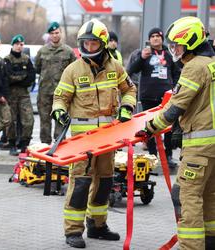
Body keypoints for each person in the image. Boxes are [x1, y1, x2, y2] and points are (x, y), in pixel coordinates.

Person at [52, 19, 137, 248]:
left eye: (92, 43)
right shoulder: (73, 70)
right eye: (84, 43)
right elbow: (60, 98)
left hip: (108, 139)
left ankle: (97, 225)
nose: (87, 47)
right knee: (80, 184)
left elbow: (129, 88)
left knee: (105, 183)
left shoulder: (115, 67)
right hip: (83, 141)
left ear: (101, 43)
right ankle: (73, 231)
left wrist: (127, 107)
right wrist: (59, 112)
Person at [135, 16, 215, 250]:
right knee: (210, 197)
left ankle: (191, 246)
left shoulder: (194, 67)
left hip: (199, 147)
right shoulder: (211, 63)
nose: (174, 51)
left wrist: (149, 128)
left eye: (178, 46)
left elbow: (174, 109)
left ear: (191, 42)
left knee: (186, 197)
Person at [127, 27, 180, 168]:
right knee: (149, 127)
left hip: (166, 96)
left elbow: (176, 73)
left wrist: (174, 87)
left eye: (158, 36)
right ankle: (152, 156)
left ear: (162, 38)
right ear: (149, 39)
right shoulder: (143, 53)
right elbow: (131, 70)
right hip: (148, 96)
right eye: (152, 36)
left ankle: (168, 156)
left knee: (168, 126)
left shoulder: (169, 54)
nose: (155, 38)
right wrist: (141, 58)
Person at [35, 21, 76, 144]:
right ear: (49, 35)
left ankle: (59, 146)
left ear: (61, 33)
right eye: (52, 33)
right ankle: (45, 148)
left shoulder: (68, 52)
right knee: (44, 122)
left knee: (61, 121)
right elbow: (37, 68)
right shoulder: (42, 51)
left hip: (61, 94)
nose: (55, 35)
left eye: (57, 32)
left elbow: (73, 71)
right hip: (44, 94)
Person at [4, 34, 35, 155]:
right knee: (11, 121)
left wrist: (18, 78)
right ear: (13, 45)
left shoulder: (26, 59)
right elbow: (8, 77)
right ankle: (12, 144)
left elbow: (31, 76)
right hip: (10, 95)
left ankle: (24, 144)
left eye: (21, 44)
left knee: (28, 120)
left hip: (24, 95)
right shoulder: (7, 60)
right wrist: (22, 76)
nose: (19, 46)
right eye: (17, 44)